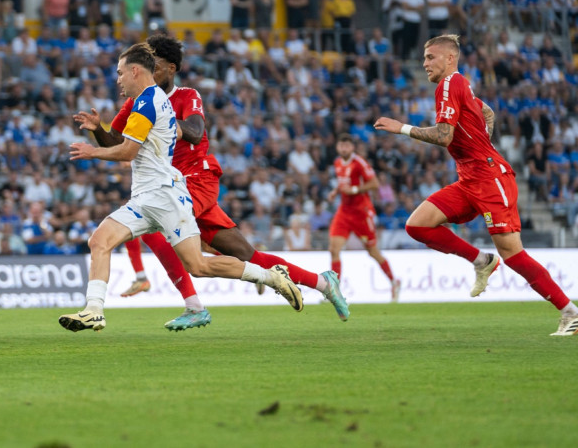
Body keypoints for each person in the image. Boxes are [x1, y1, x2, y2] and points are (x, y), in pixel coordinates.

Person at [77, 34, 350, 326]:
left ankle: (193, 305)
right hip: (174, 185)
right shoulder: (137, 102)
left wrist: (160, 123)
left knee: (155, 228)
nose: (149, 72)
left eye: (154, 67)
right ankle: (323, 282)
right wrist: (97, 130)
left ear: (171, 68)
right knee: (246, 253)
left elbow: (195, 131)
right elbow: (116, 141)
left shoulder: (185, 96)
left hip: (195, 178)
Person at [375, 34, 578, 336]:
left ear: (449, 58)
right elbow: (486, 112)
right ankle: (481, 260)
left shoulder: (449, 84)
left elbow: (444, 136)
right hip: (470, 178)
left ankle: (570, 312)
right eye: (424, 58)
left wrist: (402, 128)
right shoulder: (461, 86)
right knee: (418, 225)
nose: (424, 63)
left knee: (513, 254)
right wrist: (482, 141)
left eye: (430, 57)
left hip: (488, 178)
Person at [328, 133, 400, 301]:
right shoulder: (337, 162)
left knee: (373, 252)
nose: (344, 148)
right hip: (344, 212)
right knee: (333, 249)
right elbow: (343, 183)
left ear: (352, 147)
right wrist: (336, 191)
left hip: (361, 212)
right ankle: (334, 292)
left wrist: (353, 190)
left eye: (347, 145)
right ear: (338, 147)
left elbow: (374, 183)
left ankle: (394, 282)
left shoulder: (359, 163)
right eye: (341, 145)